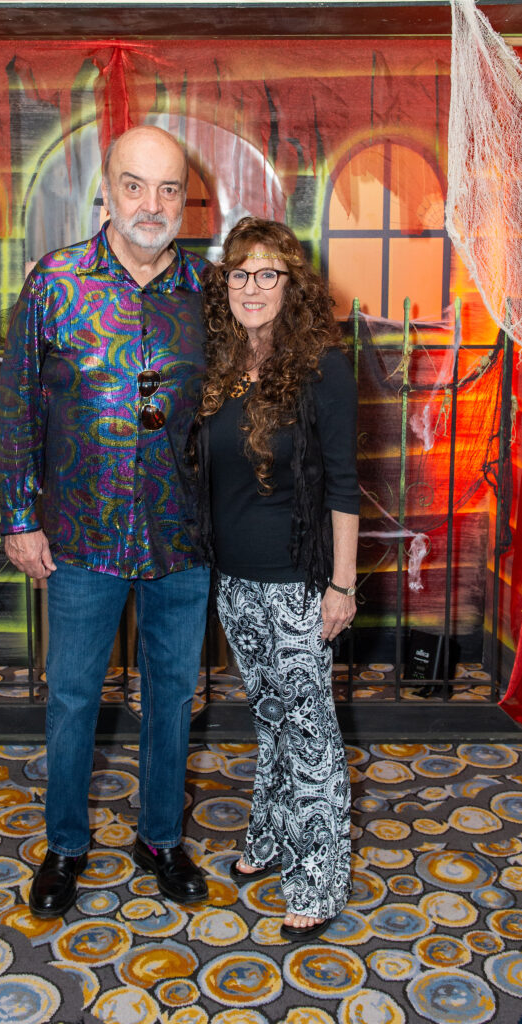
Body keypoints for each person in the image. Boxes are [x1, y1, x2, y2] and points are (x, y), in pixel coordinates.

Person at [0, 125, 210, 916]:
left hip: (183, 539)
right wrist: (21, 515)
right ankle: (65, 845)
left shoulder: (208, 293)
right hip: (79, 538)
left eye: (166, 190)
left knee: (170, 695)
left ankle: (160, 837)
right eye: (134, 185)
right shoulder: (55, 284)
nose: (150, 205)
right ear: (107, 190)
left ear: (185, 201)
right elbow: (16, 406)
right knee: (73, 697)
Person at [194, 216, 358, 941]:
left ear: (291, 286)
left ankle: (317, 877)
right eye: (239, 273)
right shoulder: (220, 366)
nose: (251, 287)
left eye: (267, 274)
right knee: (268, 719)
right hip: (235, 582)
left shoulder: (323, 365)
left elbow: (346, 488)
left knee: (309, 730)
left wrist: (341, 587)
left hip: (298, 583)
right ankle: (267, 839)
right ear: (223, 283)